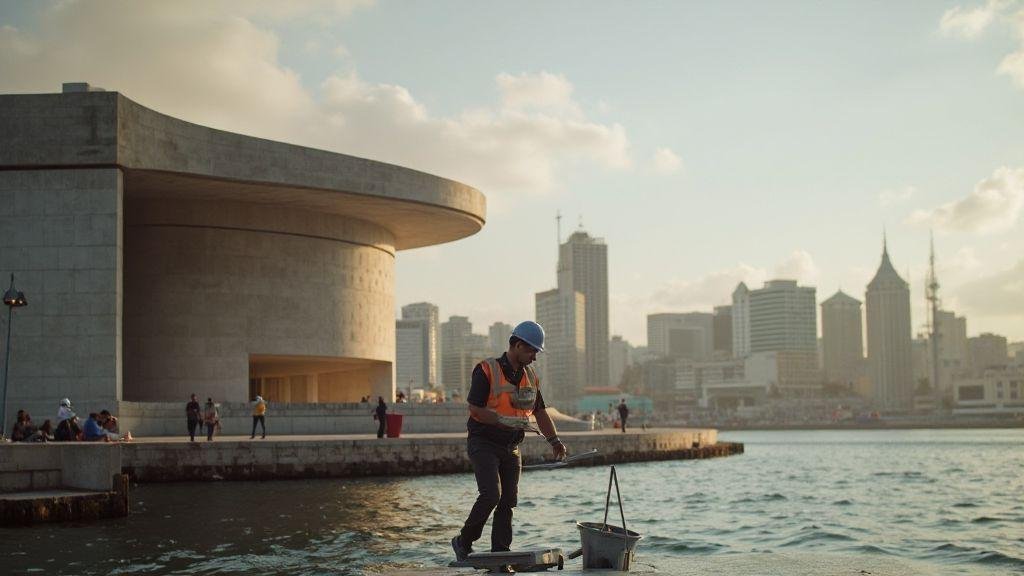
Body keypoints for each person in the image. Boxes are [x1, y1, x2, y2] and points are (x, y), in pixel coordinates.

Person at [452, 321, 566, 562]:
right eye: (532, 351)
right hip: (483, 442)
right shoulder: (486, 370)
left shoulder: (531, 377)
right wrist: (500, 420)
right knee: (491, 494)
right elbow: (475, 408)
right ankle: (464, 541)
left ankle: (500, 553)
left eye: (536, 352)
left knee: (509, 500)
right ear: (516, 345)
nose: (534, 357)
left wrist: (554, 441)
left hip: (511, 447)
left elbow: (541, 412)